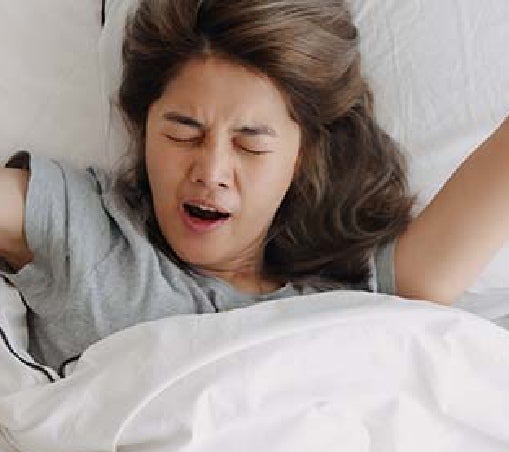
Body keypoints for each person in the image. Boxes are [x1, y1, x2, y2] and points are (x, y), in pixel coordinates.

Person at [0, 0, 508, 374]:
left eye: (251, 144)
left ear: (303, 153)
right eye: (183, 133)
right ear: (144, 127)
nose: (211, 170)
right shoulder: (89, 233)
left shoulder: (358, 292)